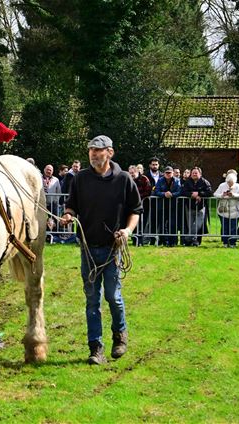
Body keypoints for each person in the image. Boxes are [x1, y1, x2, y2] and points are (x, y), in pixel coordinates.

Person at [60, 135, 142, 365]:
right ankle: (96, 348)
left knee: (113, 297)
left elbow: (135, 209)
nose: (94, 154)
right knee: (92, 300)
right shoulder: (80, 179)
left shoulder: (124, 179)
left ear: (110, 153)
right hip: (87, 249)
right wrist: (68, 215)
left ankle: (120, 335)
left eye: (99, 150)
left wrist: (127, 230)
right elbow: (72, 206)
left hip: (112, 250)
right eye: (91, 151)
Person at [181, 167, 212, 246]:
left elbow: (209, 192)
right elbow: (183, 192)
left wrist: (199, 194)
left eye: (196, 173)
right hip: (189, 207)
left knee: (198, 224)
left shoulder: (205, 182)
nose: (194, 174)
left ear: (200, 174)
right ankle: (194, 241)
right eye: (193, 173)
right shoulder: (187, 182)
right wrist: (192, 195)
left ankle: (188, 238)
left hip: (201, 207)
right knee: (190, 224)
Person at [214, 171, 239, 247]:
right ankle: (225, 242)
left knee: (233, 227)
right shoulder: (222, 185)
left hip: (235, 211)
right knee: (225, 227)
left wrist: (234, 195)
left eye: (231, 183)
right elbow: (215, 194)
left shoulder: (238, 186)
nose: (229, 184)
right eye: (228, 182)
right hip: (224, 210)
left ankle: (232, 242)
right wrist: (222, 195)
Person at [153, 166, 181, 247]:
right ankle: (163, 241)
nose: (168, 174)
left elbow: (179, 191)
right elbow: (156, 191)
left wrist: (172, 194)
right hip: (162, 205)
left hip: (173, 206)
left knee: (173, 224)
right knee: (162, 224)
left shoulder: (177, 180)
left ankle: (173, 242)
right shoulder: (160, 180)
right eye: (167, 173)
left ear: (173, 173)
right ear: (164, 173)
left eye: (170, 173)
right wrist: (164, 194)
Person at [128, 165, 152, 245]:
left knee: (142, 222)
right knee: (133, 222)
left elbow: (148, 191)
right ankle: (135, 240)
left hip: (143, 205)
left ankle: (140, 241)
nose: (132, 174)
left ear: (137, 172)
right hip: (132, 206)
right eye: (130, 173)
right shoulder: (128, 180)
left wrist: (137, 197)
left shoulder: (144, 179)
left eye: (133, 173)